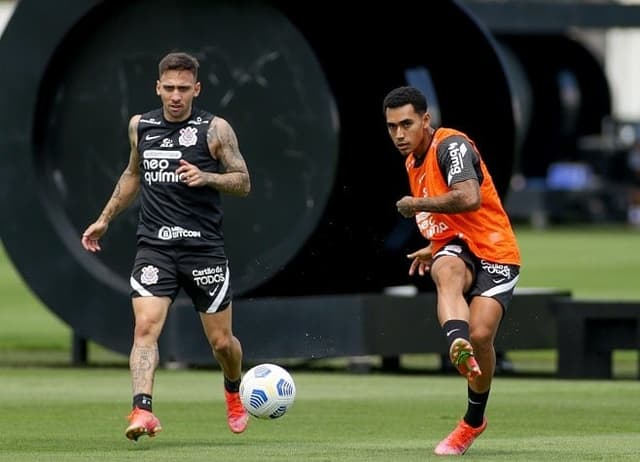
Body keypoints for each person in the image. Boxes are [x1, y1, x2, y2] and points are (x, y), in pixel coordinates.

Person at [81, 51, 251, 441]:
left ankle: (232, 389)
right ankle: (143, 410)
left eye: (184, 89)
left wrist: (207, 177)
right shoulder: (141, 126)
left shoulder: (215, 129)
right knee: (144, 328)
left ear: (197, 89)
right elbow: (132, 174)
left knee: (222, 343)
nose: (176, 96)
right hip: (155, 247)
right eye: (169, 88)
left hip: (203, 249)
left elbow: (243, 181)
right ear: (158, 87)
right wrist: (105, 218)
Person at [382, 86, 521, 456]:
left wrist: (417, 204)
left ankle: (474, 420)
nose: (399, 134)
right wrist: (435, 244)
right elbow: (449, 220)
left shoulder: (451, 146)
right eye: (392, 126)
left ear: (426, 120)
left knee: (482, 335)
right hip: (458, 245)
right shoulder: (412, 162)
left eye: (406, 124)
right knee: (444, 268)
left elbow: (468, 197)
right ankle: (454, 341)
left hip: (496, 250)